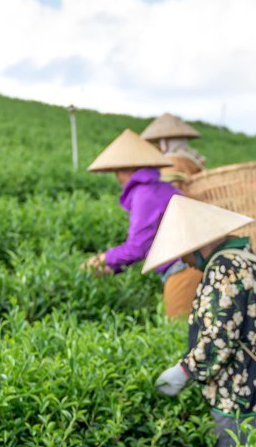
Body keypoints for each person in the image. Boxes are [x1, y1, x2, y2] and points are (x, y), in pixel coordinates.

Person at [146, 195, 256, 447]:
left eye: (184, 251)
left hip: (241, 397)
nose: (185, 261)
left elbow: (219, 338)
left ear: (200, 244)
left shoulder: (223, 269)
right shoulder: (246, 258)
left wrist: (185, 370)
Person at [82, 129, 198, 319]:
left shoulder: (145, 194)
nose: (117, 177)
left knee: (179, 330)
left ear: (127, 170)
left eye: (117, 171)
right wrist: (113, 266)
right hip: (190, 263)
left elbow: (137, 247)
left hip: (186, 267)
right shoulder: (156, 188)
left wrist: (101, 260)